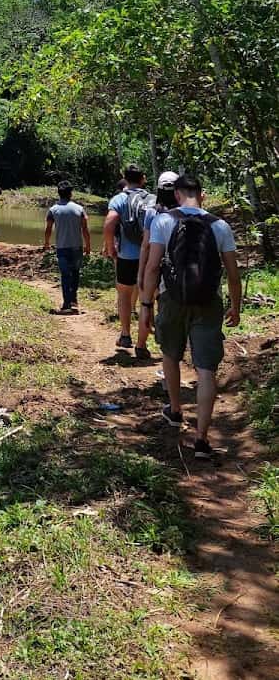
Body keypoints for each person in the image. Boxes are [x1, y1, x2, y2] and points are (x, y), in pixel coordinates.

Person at [139, 173, 241, 459]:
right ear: (203, 195)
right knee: (206, 369)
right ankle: (202, 439)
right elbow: (233, 274)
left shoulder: (164, 221)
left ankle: (175, 410)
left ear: (177, 195)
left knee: (170, 355)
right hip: (209, 302)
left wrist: (146, 305)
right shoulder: (220, 225)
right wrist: (236, 306)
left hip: (172, 299)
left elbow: (152, 267)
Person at [103, 165, 151, 354]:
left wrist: (110, 247)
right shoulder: (152, 199)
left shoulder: (119, 199)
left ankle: (125, 335)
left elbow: (109, 223)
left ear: (125, 178)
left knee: (123, 294)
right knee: (146, 300)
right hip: (148, 257)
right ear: (143, 179)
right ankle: (142, 344)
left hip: (126, 255)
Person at [134, 170, 179, 360]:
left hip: (154, 264)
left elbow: (145, 245)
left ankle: (141, 344)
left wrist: (141, 272)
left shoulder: (152, 212)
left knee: (147, 305)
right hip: (175, 268)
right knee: (165, 307)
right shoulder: (183, 212)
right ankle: (167, 351)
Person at [44, 181, 92, 313]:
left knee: (65, 275)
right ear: (71, 193)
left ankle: (67, 303)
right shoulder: (79, 209)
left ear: (59, 194)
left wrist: (46, 243)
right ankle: (74, 300)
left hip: (62, 247)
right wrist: (88, 246)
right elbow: (85, 229)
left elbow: (48, 229)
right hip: (77, 247)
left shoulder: (53, 210)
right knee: (75, 273)